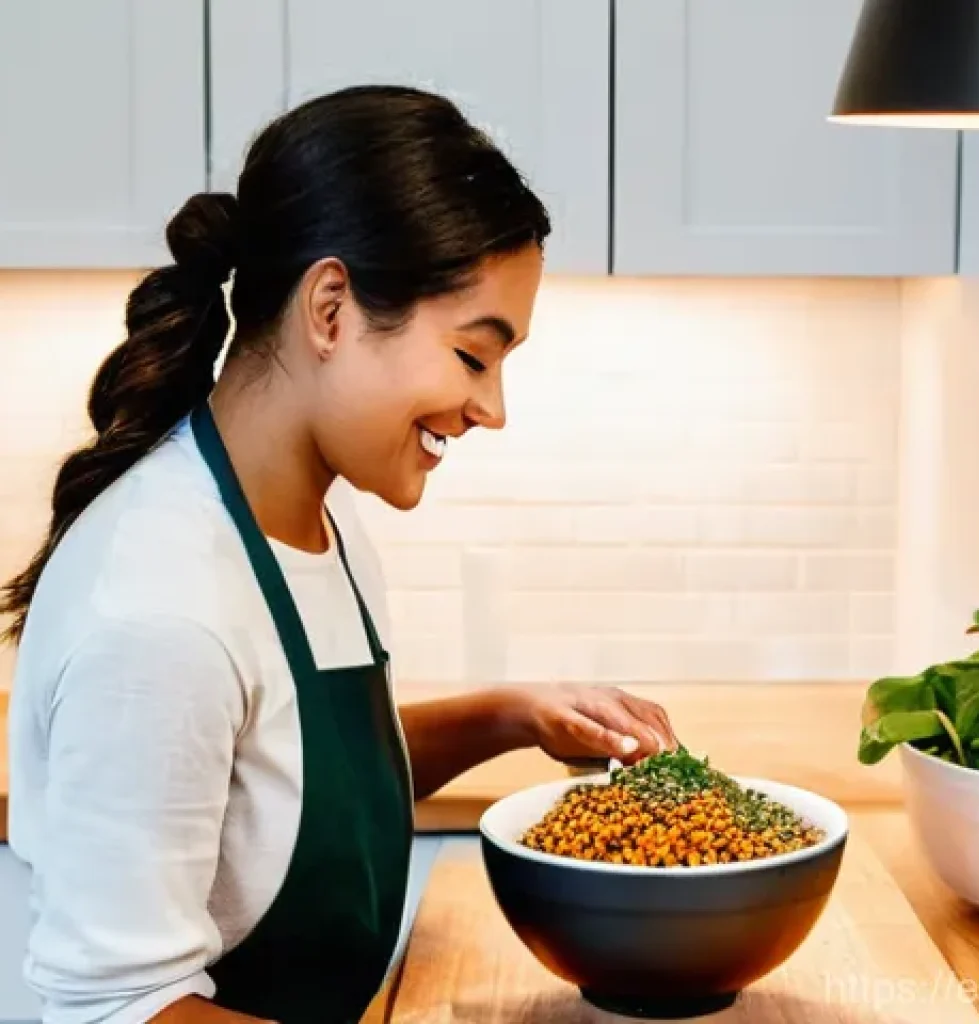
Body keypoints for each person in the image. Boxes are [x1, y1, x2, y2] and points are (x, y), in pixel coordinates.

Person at [1, 85, 677, 1024]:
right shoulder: (157, 615)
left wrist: (514, 715)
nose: (492, 409)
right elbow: (119, 1012)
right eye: (473, 356)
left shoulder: (312, 514)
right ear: (330, 309)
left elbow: (294, 786)